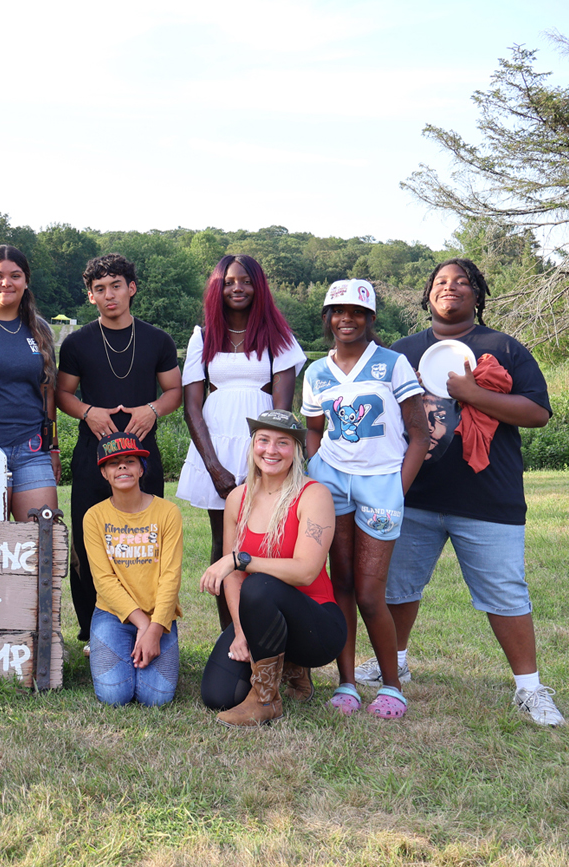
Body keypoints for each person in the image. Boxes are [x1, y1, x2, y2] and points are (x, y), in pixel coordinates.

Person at [363, 258, 563, 726]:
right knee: (398, 587)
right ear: (428, 295)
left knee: (506, 593)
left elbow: (537, 412)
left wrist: (473, 394)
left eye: (461, 282)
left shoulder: (503, 347)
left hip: (487, 498)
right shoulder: (402, 353)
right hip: (413, 496)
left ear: (477, 294)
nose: (449, 287)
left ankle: (529, 689)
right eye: (440, 282)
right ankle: (396, 663)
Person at [302, 279, 427, 719]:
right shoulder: (316, 372)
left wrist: (397, 488)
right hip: (332, 482)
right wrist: (317, 468)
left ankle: (392, 686)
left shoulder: (392, 364)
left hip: (381, 483)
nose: (347, 319)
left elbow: (419, 434)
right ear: (327, 317)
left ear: (370, 318)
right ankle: (348, 683)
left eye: (357, 312)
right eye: (338, 311)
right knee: (341, 585)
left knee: (371, 592)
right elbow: (313, 429)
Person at [56, 254, 182, 651]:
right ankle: (93, 629)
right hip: (93, 454)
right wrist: (87, 412)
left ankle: (151, 622)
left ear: (132, 288)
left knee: (145, 541)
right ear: (91, 296)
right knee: (87, 543)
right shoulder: (76, 343)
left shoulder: (158, 340)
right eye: (100, 289)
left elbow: (174, 391)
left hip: (142, 454)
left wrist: (153, 409)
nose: (109, 295)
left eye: (116, 286)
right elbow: (62, 394)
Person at [177, 254, 307, 629]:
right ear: (217, 288)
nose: (238, 288)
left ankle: (269, 634)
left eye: (247, 281)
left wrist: (266, 462)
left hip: (263, 449)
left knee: (269, 543)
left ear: (259, 287)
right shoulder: (203, 336)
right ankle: (231, 636)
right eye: (230, 281)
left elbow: (281, 411)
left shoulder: (278, 337)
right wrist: (214, 468)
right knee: (225, 545)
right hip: (215, 449)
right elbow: (192, 407)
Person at [199, 410, 344, 727]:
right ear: (253, 445)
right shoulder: (238, 498)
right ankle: (288, 668)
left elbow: (306, 571)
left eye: (283, 442)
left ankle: (265, 700)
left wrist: (240, 559)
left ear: (296, 450)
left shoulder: (314, 494)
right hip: (260, 616)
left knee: (259, 584)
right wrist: (240, 631)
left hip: (317, 624)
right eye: (263, 440)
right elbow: (233, 579)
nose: (271, 450)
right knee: (217, 695)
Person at [85, 432, 183, 707]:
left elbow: (171, 577)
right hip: (112, 614)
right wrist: (143, 625)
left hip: (158, 614)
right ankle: (111, 646)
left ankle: (137, 650)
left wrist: (155, 627)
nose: (122, 467)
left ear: (141, 469)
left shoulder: (168, 512)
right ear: (104, 473)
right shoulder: (94, 517)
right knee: (114, 696)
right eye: (113, 463)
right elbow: (104, 581)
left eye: (130, 461)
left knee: (156, 697)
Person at [0, 245, 60, 520]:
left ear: (26, 281)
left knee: (43, 533)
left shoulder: (39, 329)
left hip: (31, 448)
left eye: (15, 276)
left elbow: (47, 391)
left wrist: (53, 446)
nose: (6, 283)